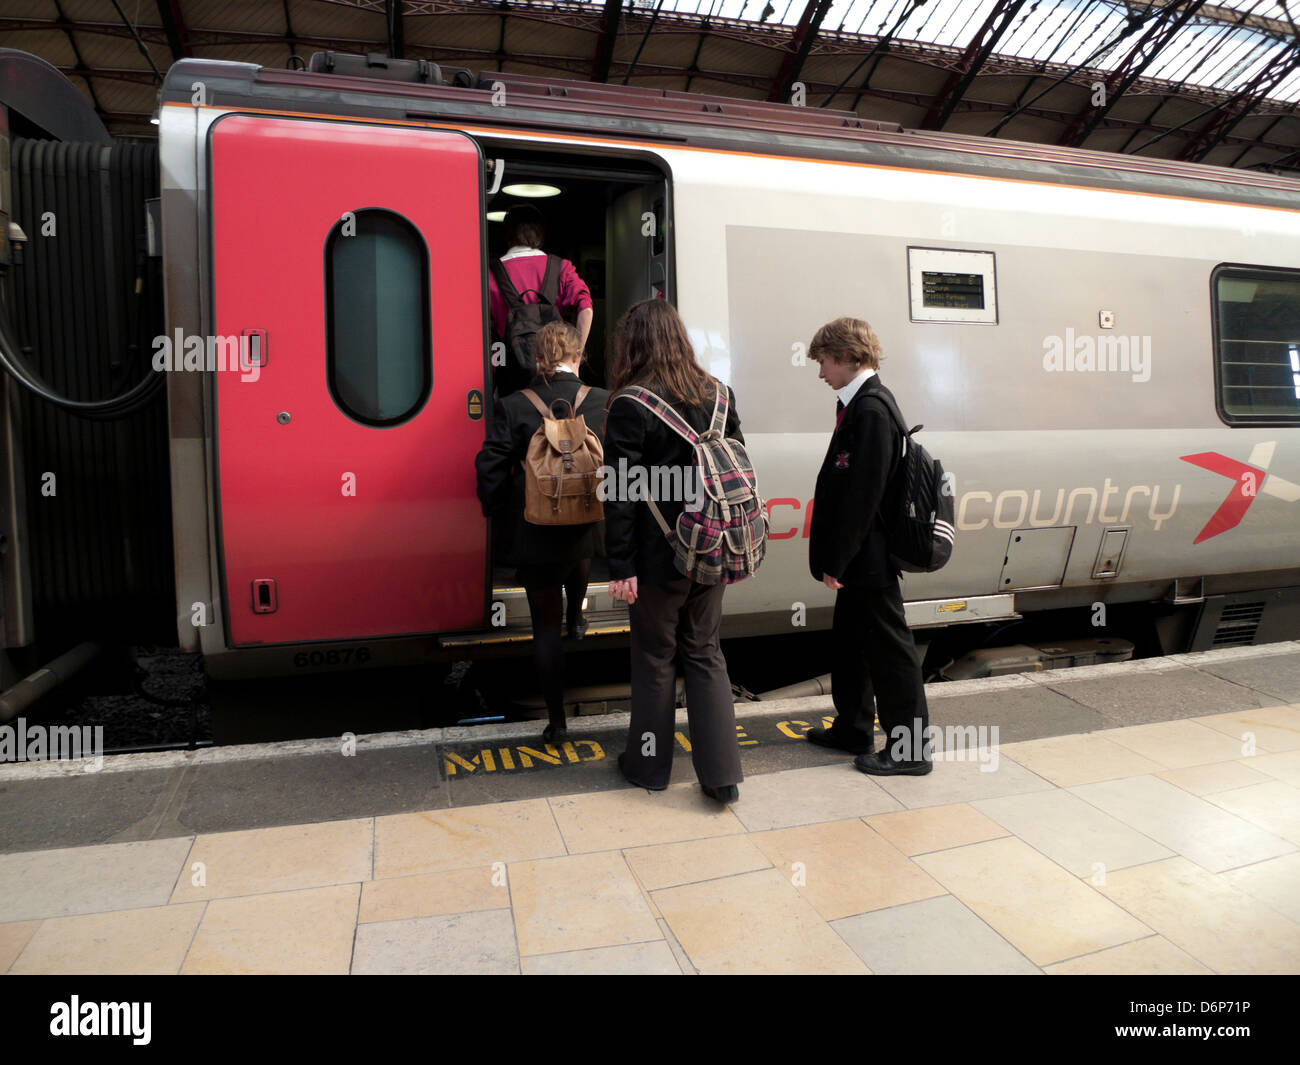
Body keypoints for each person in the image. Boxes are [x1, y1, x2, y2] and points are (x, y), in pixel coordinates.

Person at [603, 299, 744, 804]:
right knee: (705, 653)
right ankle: (722, 776)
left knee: (655, 658)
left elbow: (618, 490)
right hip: (714, 547)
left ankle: (648, 768)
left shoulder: (629, 404)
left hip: (658, 557)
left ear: (633, 344)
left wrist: (620, 565)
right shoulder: (720, 396)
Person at [804, 317, 932, 775]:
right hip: (860, 555)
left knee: (890, 648)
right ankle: (853, 727)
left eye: (824, 362)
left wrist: (838, 558)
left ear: (846, 357)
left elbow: (864, 495)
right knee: (852, 643)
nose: (821, 374)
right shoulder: (859, 405)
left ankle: (911, 750)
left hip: (869, 556)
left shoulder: (872, 410)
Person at [475, 321, 608, 743]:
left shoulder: (514, 405)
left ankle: (557, 721)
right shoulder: (604, 402)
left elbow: (490, 466)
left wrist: (497, 512)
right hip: (588, 526)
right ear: (577, 356)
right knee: (578, 547)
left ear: (537, 359)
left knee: (543, 629)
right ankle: (579, 614)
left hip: (536, 531)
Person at [488, 204, 594, 398]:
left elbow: (487, 335)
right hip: (555, 376)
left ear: (507, 234)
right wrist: (575, 358)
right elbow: (586, 309)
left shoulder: (491, 275)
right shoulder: (561, 268)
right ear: (541, 234)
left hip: (511, 378)